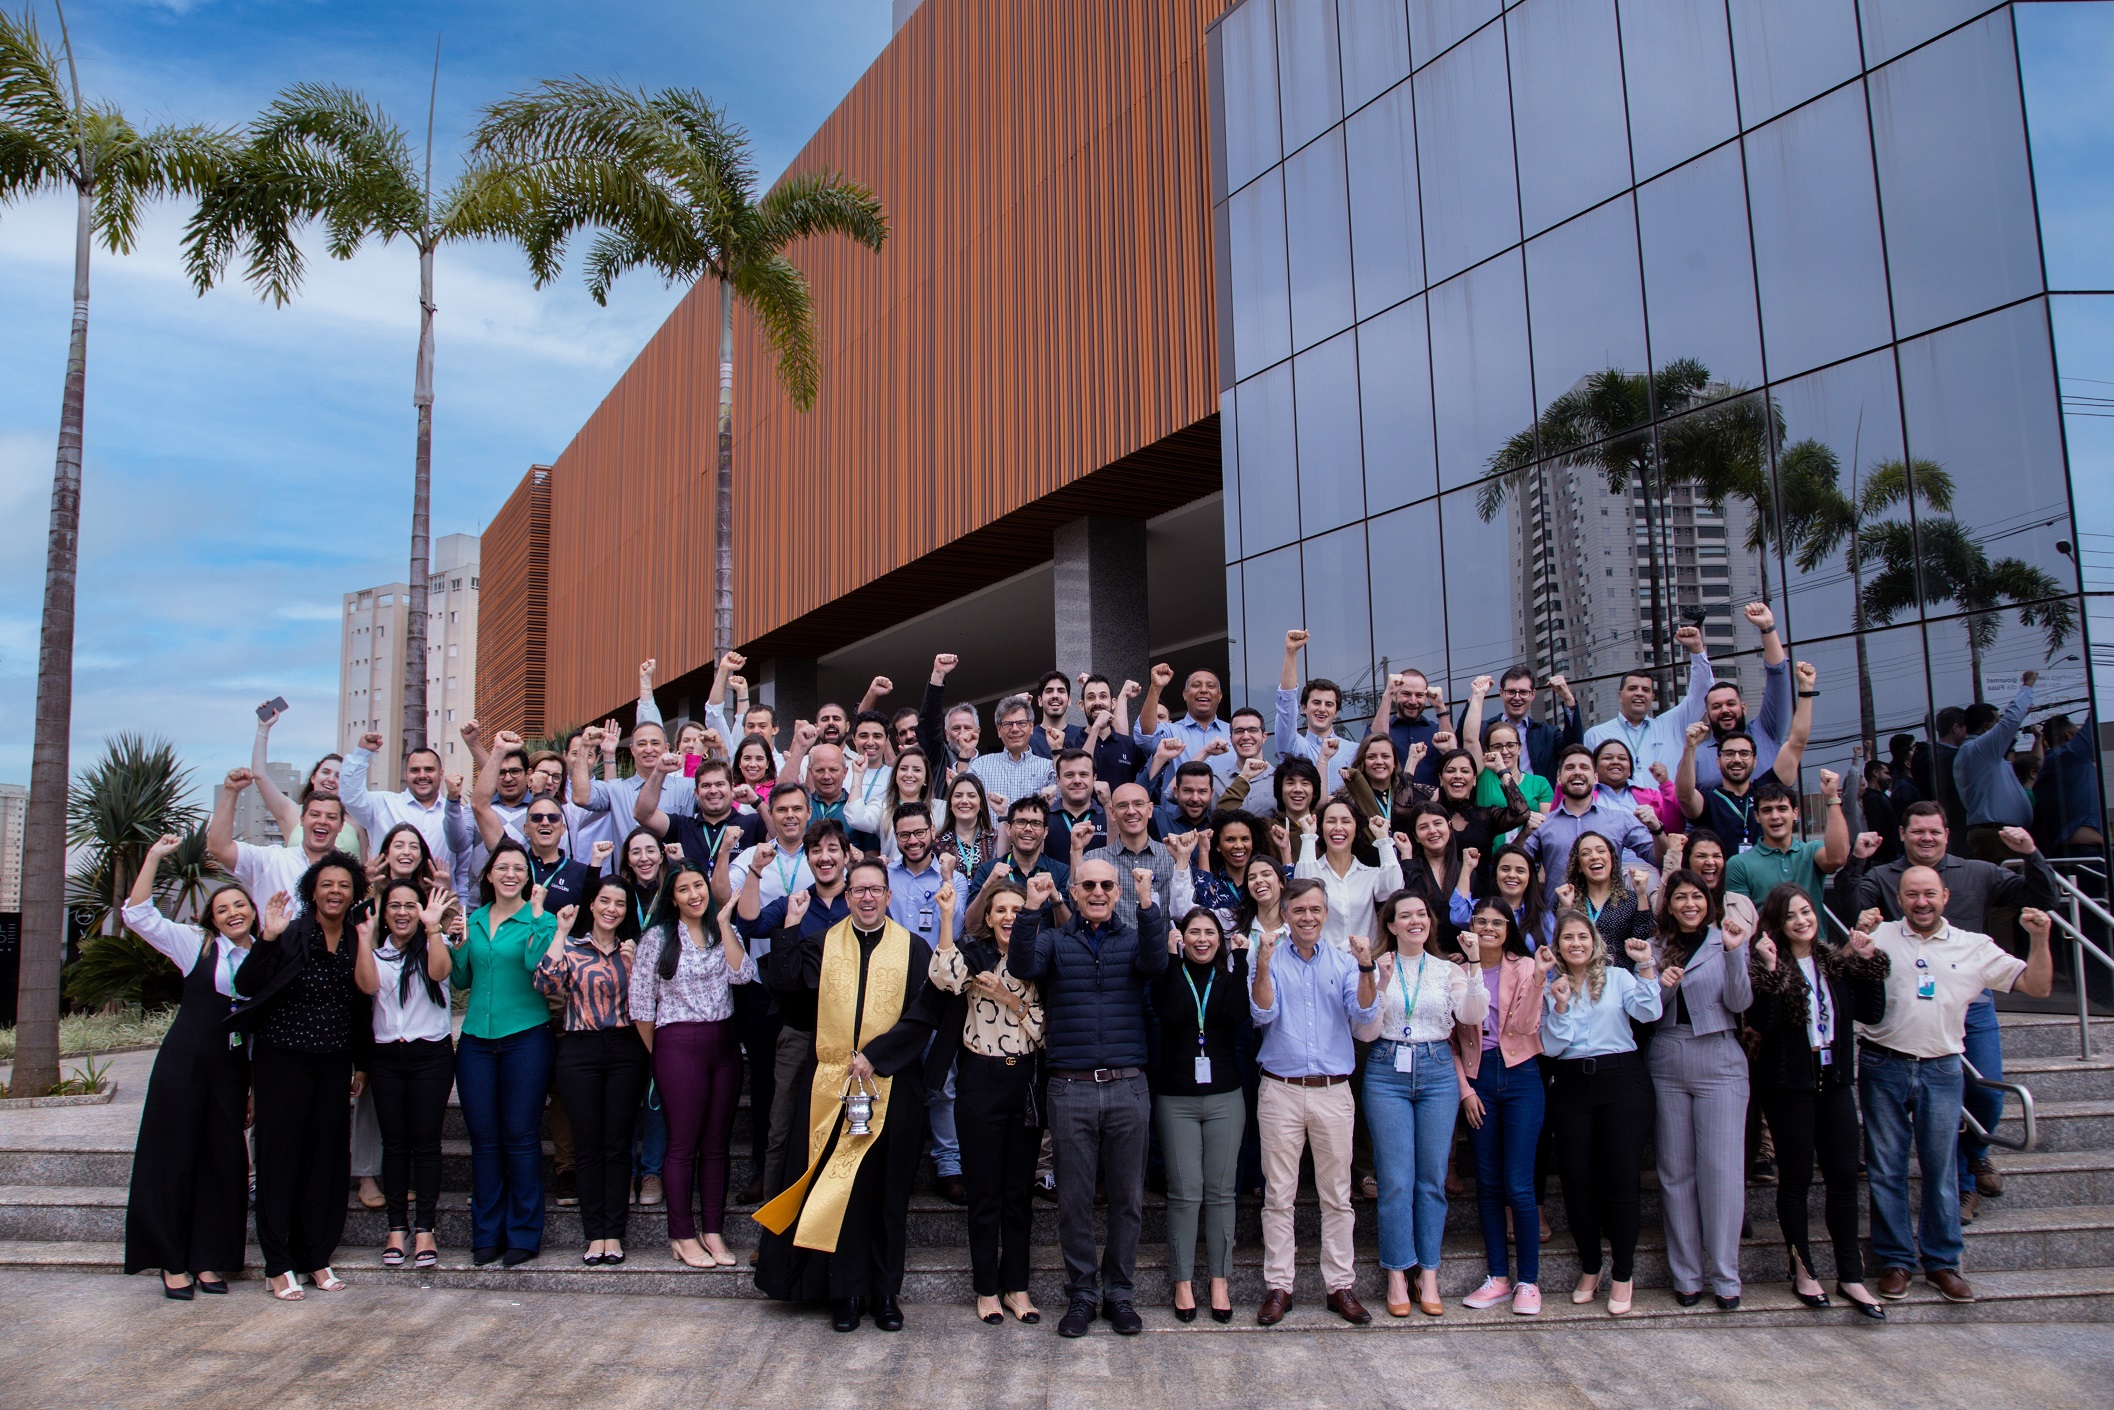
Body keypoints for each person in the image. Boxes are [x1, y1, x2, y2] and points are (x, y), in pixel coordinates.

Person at [1833, 802, 2057, 1221]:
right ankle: (1965, 1186)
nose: (1926, 838)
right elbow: (1851, 910)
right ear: (1903, 834)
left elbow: (2043, 897)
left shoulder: (1978, 872)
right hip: (1907, 1008)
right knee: (1935, 1111)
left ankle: (1975, 1154)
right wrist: (1857, 861)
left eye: (1934, 831)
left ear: (1946, 835)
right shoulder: (1884, 877)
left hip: (1971, 998)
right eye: (1918, 831)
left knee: (1986, 1095)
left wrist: (2031, 853)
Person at [756, 858, 945, 1333]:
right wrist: (790, 927)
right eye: (858, 890)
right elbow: (788, 989)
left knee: (888, 1192)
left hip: (892, 1085)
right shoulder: (824, 943)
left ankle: (885, 1293)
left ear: (888, 896)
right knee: (845, 1192)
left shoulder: (913, 947)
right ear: (847, 897)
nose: (866, 898)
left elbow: (925, 1013)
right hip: (832, 1086)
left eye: (875, 890)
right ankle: (847, 1291)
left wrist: (877, 1056)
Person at [1857, 870, 2054, 1304]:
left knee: (1941, 1168)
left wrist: (2039, 939)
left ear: (1945, 896)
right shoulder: (1879, 936)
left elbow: (2038, 987)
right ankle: (1895, 1262)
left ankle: (1942, 1263)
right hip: (1882, 1064)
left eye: (1930, 893)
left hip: (1942, 1067)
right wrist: (1856, 943)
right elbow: (1842, 984)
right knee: (1885, 1169)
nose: (1921, 902)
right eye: (1912, 894)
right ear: (1899, 898)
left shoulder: (1974, 946)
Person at [1007, 860, 1168, 1338]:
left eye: (1107, 885)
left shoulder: (1133, 938)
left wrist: (1147, 902)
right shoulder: (1056, 941)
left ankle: (1119, 1294)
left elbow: (1156, 963)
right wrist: (1031, 909)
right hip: (1071, 1086)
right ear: (1073, 892)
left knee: (1127, 1198)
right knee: (1074, 1201)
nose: (1098, 892)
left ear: (1117, 892)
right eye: (1089, 885)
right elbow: (1021, 965)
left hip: (1127, 1085)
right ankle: (1082, 1293)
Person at [120, 835, 255, 1298]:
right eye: (222, 909)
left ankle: (207, 1258)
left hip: (232, 1071)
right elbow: (138, 915)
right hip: (184, 1065)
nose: (233, 913)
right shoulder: (195, 944)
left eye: (240, 905)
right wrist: (155, 857)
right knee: (172, 1158)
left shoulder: (263, 955)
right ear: (212, 919)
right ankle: (170, 1261)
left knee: (222, 1163)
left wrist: (253, 1088)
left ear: (253, 910)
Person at [230, 852, 369, 1301]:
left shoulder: (356, 937)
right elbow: (246, 985)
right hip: (282, 1059)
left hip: (333, 1061)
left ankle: (314, 1255)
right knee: (280, 1159)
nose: (335, 892)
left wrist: (361, 1062)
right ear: (312, 890)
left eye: (343, 885)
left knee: (325, 1160)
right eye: (327, 884)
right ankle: (277, 1264)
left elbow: (361, 1003)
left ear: (354, 893)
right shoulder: (290, 932)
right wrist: (267, 938)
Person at [1748, 884, 1889, 1318]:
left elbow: (1871, 1013)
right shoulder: (1768, 964)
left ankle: (1851, 1275)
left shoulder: (1834, 963)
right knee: (1795, 1179)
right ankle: (1803, 1269)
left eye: (1806, 912)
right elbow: (1764, 1023)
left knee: (1844, 1178)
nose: (1801, 921)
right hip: (1789, 1084)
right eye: (1791, 915)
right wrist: (1771, 970)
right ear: (1777, 922)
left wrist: (1867, 962)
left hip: (1835, 1079)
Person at [1248, 877, 1377, 1325]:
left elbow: (1363, 1012)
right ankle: (1279, 1287)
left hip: (1333, 1091)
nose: (1307, 917)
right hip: (1280, 1090)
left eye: (1315, 909)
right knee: (1278, 1195)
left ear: (1326, 913)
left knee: (1337, 1196)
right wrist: (1263, 964)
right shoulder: (1266, 956)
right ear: (1285, 914)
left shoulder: (1344, 962)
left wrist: (1366, 967)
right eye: (1299, 910)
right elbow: (1262, 1012)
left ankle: (1339, 1286)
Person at [1356, 891, 1484, 1318]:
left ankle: (1428, 1272)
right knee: (1395, 1179)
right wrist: (1380, 981)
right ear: (1391, 925)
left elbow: (1471, 1015)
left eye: (1422, 914)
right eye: (1405, 915)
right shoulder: (1377, 965)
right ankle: (1397, 1272)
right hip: (1386, 1068)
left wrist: (1475, 962)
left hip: (1437, 1069)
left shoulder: (1448, 969)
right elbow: (1365, 1032)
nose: (1416, 921)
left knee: (1431, 1178)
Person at [929, 876, 1045, 1326]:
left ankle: (1017, 1287)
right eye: (1001, 910)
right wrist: (946, 917)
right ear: (990, 918)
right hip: (980, 1079)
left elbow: (1045, 1030)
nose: (1009, 917)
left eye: (1017, 910)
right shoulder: (975, 955)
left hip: (1024, 1081)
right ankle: (986, 1289)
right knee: (984, 1192)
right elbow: (943, 977)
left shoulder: (1038, 959)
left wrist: (1008, 999)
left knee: (1018, 1193)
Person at [633, 860, 754, 1268]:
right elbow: (640, 1005)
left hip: (723, 1043)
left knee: (717, 1145)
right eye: (683, 889)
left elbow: (743, 975)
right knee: (683, 1144)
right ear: (672, 898)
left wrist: (724, 924)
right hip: (677, 1044)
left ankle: (713, 1230)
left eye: (698, 886)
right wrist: (662, 1055)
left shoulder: (723, 932)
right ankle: (682, 1234)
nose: (693, 895)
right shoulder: (658, 938)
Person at [1541, 909, 1660, 1317]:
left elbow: (1649, 1013)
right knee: (1577, 1181)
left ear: (1594, 942)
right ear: (1558, 946)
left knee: (1621, 1181)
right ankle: (1590, 1267)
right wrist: (1559, 1007)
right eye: (1568, 937)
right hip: (1572, 1085)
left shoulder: (1619, 978)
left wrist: (1646, 965)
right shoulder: (1552, 987)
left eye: (1583, 936)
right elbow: (1552, 1047)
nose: (1576, 943)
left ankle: (1623, 1273)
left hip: (1621, 1082)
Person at [1649, 868, 1754, 1309]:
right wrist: (1662, 985)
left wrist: (1734, 953)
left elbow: (1740, 1002)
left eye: (1696, 896)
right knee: (1675, 1172)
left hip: (1720, 1056)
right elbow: (1646, 1011)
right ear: (1669, 906)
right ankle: (1686, 1275)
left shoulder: (1725, 939)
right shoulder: (1656, 946)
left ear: (1708, 901)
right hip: (1668, 1056)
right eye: (1680, 898)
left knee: (1722, 1171)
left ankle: (1726, 1276)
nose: (1689, 904)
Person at [450, 839, 559, 1268]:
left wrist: (537, 918)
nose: (510, 874)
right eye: (503, 867)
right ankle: (486, 1234)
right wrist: (455, 942)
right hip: (476, 1040)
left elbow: (536, 966)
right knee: (484, 1140)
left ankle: (524, 1234)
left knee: (521, 1136)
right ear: (489, 875)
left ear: (527, 877)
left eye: (518, 868)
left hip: (526, 1037)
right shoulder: (473, 919)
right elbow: (460, 979)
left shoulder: (543, 919)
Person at [535, 873, 648, 1265]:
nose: (611, 909)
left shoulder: (633, 950)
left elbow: (647, 1003)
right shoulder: (572, 947)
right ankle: (593, 1234)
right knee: (587, 1144)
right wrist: (560, 932)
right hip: (578, 1049)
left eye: (619, 903)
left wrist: (634, 965)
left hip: (625, 1049)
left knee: (617, 1144)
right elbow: (544, 984)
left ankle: (613, 1234)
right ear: (592, 904)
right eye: (605, 901)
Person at [741, 822, 852, 1199]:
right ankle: (773, 1224)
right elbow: (751, 924)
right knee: (782, 1127)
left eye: (833, 849)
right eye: (816, 850)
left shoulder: (860, 902)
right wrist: (756, 870)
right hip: (799, 1030)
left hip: (848, 1036)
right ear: (808, 858)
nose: (825, 857)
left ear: (846, 856)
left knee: (842, 1131)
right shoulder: (795, 902)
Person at [1154, 907, 1251, 1323]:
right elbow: (1172, 1014)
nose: (1202, 940)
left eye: (1210, 932)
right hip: (1176, 1098)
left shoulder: (1227, 977)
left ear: (1220, 939)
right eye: (1193, 932)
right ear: (1182, 937)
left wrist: (1241, 960)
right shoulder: (1169, 974)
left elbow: (1238, 1015)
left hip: (1225, 1096)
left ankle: (1219, 1280)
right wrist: (1171, 959)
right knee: (1185, 1191)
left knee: (1221, 1191)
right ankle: (1182, 1281)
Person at [355, 877, 456, 1271]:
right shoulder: (376, 953)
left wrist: (433, 928)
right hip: (386, 1057)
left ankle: (426, 1228)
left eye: (410, 905)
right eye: (394, 905)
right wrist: (364, 937)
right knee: (395, 1145)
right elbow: (366, 986)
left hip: (430, 1055)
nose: (402, 912)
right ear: (385, 913)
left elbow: (440, 973)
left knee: (426, 1144)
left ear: (421, 910)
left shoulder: (435, 943)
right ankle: (396, 1228)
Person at [1452, 899, 1547, 1314]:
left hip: (1522, 1074)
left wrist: (1540, 980)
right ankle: (1498, 1277)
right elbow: (1449, 1040)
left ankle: (1528, 1281)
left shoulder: (1525, 967)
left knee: (1519, 1184)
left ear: (1509, 929)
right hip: (1478, 1079)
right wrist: (1464, 1091)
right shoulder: (1455, 970)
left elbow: (1525, 1026)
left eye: (1497, 922)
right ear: (1470, 927)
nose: (1488, 928)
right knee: (1488, 1182)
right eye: (1481, 921)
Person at [1519, 744, 1659, 906]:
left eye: (1584, 767)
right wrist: (1524, 833)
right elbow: (1516, 862)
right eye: (1570, 767)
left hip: (1610, 916)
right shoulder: (1544, 824)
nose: (1577, 772)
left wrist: (1657, 829)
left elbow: (1657, 858)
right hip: (1559, 916)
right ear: (1559, 777)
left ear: (1595, 777)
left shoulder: (1620, 820)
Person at [206, 768, 346, 920]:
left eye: (331, 817)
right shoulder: (271, 860)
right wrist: (230, 791)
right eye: (315, 814)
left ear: (341, 826)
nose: (322, 821)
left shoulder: (351, 873)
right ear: (302, 819)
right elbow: (219, 848)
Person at [1688, 602, 1795, 790]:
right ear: (1707, 716)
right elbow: (1686, 802)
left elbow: (1778, 677)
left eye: (1731, 704)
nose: (1725, 710)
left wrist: (1767, 627)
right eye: (1716, 706)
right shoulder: (1697, 756)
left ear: (1743, 708)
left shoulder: (1766, 732)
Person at [1582, 624, 1715, 775]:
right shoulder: (1596, 735)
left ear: (1652, 698)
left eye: (1645, 690)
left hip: (1665, 791)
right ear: (1620, 695)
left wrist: (1696, 650)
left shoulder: (1672, 725)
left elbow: (1702, 693)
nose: (1639, 693)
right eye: (1632, 688)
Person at [1289, 798, 1405, 951]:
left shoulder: (1369, 874)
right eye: (1331, 821)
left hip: (1366, 959)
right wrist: (1308, 836)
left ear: (1356, 829)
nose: (1338, 827)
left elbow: (1394, 889)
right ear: (1321, 828)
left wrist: (1383, 839)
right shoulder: (1313, 870)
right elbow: (1303, 889)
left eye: (1346, 821)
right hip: (1323, 960)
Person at [340, 730, 453, 869]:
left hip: (440, 884)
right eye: (415, 770)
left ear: (441, 774)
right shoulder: (383, 805)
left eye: (429, 769)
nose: (422, 775)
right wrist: (362, 753)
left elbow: (463, 863)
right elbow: (350, 797)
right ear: (406, 775)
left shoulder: (456, 813)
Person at [1082, 782, 1176, 931]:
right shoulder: (1094, 859)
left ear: (1150, 809)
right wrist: (1075, 851)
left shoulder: (1172, 856)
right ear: (1112, 813)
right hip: (1110, 945)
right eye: (1122, 806)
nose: (1131, 811)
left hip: (1161, 944)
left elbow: (1187, 910)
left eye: (1138, 804)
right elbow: (1076, 905)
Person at [1470, 667, 1580, 785]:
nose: (1517, 698)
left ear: (1533, 694)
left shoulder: (1548, 734)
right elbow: (1465, 740)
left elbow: (1574, 749)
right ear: (1501, 693)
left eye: (1523, 692)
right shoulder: (1483, 730)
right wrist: (1475, 697)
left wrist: (1568, 698)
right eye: (1511, 691)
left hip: (1537, 796)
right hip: (1492, 794)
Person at [1555, 832, 1655, 962]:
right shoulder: (1567, 899)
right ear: (1579, 866)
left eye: (1601, 851)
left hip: (1619, 972)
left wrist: (1641, 894)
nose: (1594, 856)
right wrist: (1566, 908)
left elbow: (1643, 942)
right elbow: (1558, 944)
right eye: (1585, 853)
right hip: (1579, 973)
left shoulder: (1631, 899)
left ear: (1612, 860)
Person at [1277, 629, 1354, 794]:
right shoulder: (1293, 746)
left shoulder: (1354, 750)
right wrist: (1291, 652)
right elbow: (1286, 706)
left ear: (1336, 711)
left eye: (1329, 704)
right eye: (1316, 702)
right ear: (1304, 708)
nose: (1322, 709)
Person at [966, 693, 1058, 816]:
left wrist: (1057, 750)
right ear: (998, 730)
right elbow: (962, 798)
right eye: (1008, 724)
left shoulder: (1048, 768)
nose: (1015, 729)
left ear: (1031, 727)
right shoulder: (980, 766)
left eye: (1021, 723)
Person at [1134, 661, 1230, 762]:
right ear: (1185, 694)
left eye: (1210, 686)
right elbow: (1146, 737)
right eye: (1196, 685)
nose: (1203, 690)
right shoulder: (1170, 732)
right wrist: (1155, 687)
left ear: (1220, 696)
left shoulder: (1234, 733)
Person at [940, 772, 999, 875]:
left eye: (971, 796)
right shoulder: (936, 843)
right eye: (958, 796)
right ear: (950, 804)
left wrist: (1002, 813)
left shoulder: (994, 839)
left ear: (981, 804)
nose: (964, 801)